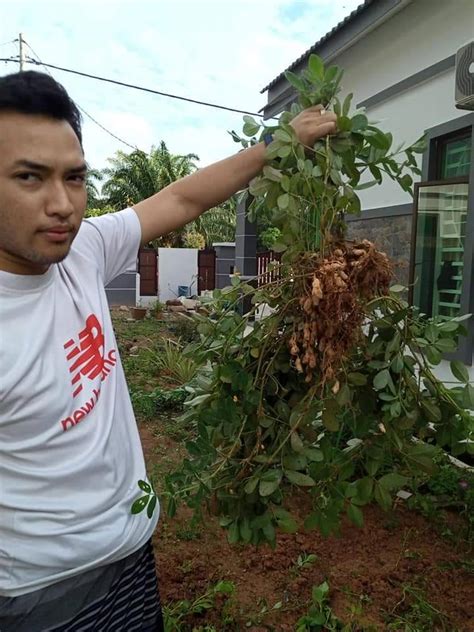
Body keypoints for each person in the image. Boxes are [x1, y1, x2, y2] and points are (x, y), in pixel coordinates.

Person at [0, 70, 337, 631]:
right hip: (43, 598)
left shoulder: (84, 250)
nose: (62, 204)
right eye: (30, 177)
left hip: (131, 552)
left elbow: (182, 196)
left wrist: (279, 144)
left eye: (75, 177)